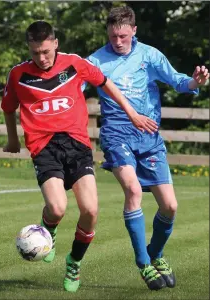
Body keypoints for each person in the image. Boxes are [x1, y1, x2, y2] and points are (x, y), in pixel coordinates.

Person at [1, 20, 158, 293]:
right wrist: (13, 139)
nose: (41, 58)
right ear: (29, 47)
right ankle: (49, 228)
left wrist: (132, 113)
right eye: (36, 52)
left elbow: (106, 84)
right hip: (44, 147)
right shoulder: (18, 74)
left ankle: (74, 262)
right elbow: (8, 107)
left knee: (91, 211)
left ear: (55, 44)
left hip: (77, 145)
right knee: (58, 208)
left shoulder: (74, 64)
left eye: (46, 52)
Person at [88, 6, 209, 291]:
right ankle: (143, 262)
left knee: (170, 205)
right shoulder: (94, 61)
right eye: (113, 36)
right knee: (132, 190)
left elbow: (178, 80)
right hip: (117, 133)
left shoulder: (150, 55)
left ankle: (155, 254)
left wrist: (195, 81)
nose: (117, 41)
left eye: (122, 35)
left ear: (133, 31)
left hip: (149, 136)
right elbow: (70, 86)